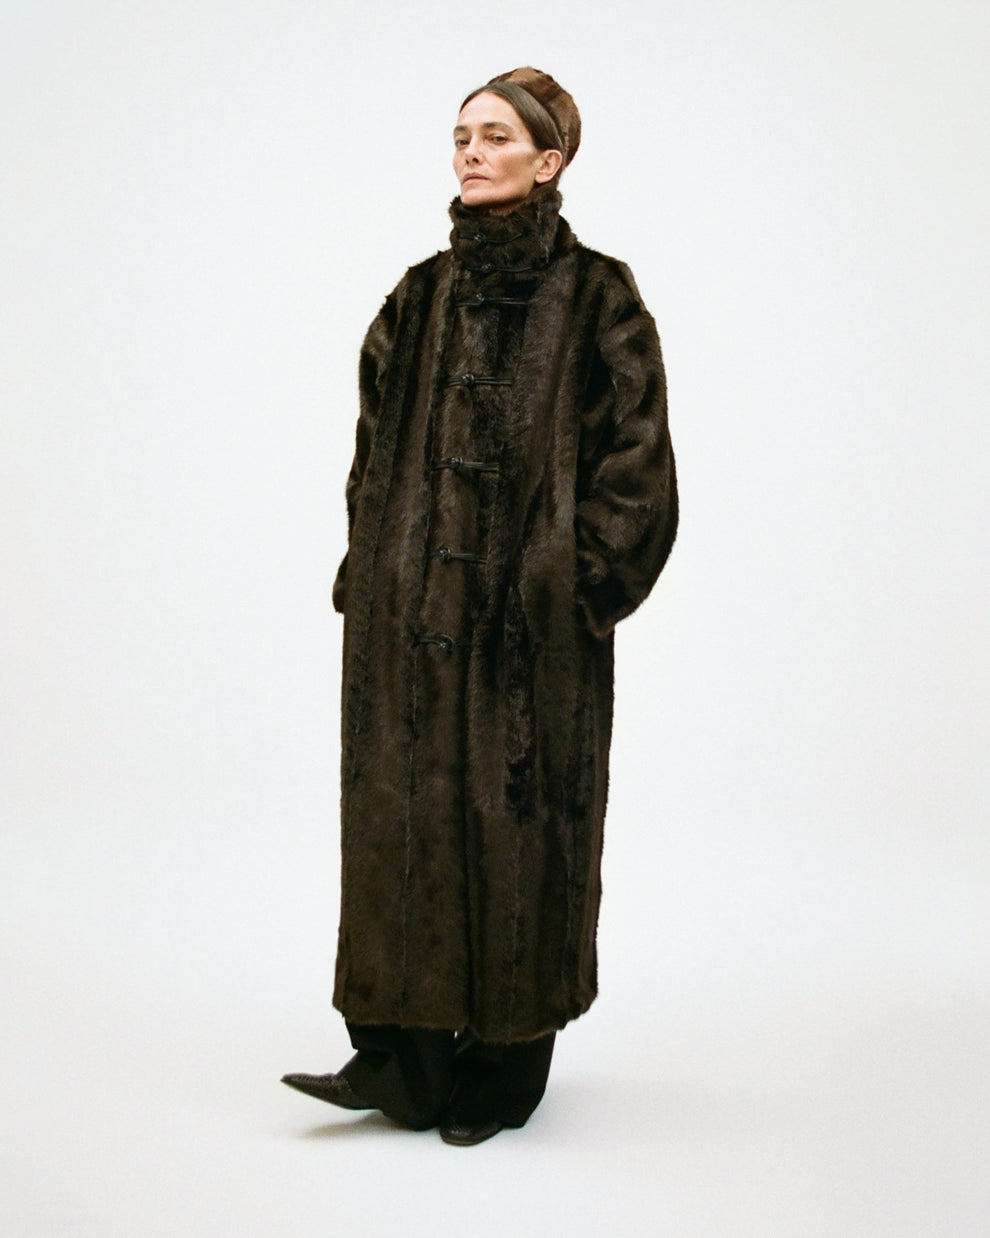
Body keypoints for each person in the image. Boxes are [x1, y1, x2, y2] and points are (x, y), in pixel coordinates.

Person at [282, 67, 677, 1146]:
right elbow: (372, 454)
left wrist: (575, 583)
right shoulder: (417, 296)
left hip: (528, 642)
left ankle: (505, 1065)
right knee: (401, 824)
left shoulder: (599, 295)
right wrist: (375, 573)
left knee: (521, 834)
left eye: (495, 135)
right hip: (405, 635)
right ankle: (400, 1059)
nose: (470, 150)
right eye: (461, 133)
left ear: (548, 159)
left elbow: (639, 471)